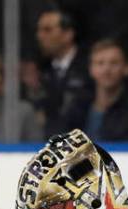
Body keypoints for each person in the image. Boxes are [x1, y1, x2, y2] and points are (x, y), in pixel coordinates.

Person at [65, 39, 128, 141]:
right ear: (91, 68)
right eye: (100, 63)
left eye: (114, 63)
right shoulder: (76, 109)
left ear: (127, 68)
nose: (106, 70)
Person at [35, 8, 90, 137]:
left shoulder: (89, 66)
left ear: (68, 34)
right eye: (39, 30)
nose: (40, 36)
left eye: (47, 30)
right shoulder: (41, 71)